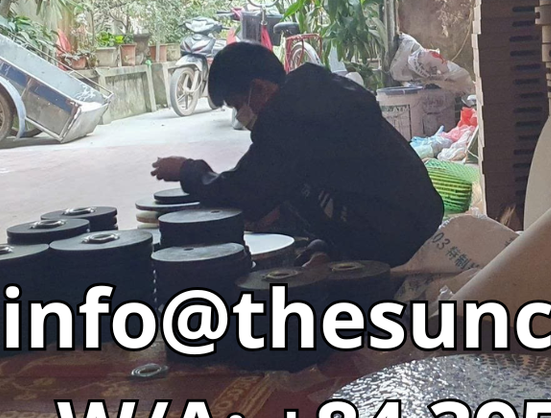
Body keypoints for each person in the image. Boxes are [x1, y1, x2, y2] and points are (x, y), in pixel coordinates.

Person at [151, 43, 445, 267]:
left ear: (259, 88)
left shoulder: (289, 118)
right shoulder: (314, 97)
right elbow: (315, 178)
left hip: (397, 237)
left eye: (237, 104)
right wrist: (321, 243)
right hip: (413, 217)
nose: (240, 114)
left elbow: (246, 192)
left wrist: (188, 171)